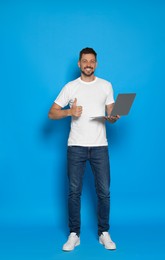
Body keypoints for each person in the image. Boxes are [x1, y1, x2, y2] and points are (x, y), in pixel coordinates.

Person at [48, 47, 120, 251]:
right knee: (73, 192)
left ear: (96, 64)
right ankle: (74, 234)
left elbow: (112, 114)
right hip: (76, 147)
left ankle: (104, 233)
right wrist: (70, 111)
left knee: (104, 192)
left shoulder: (106, 86)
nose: (88, 64)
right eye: (85, 61)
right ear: (79, 64)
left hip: (100, 146)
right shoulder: (70, 87)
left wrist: (114, 117)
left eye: (92, 61)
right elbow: (52, 113)